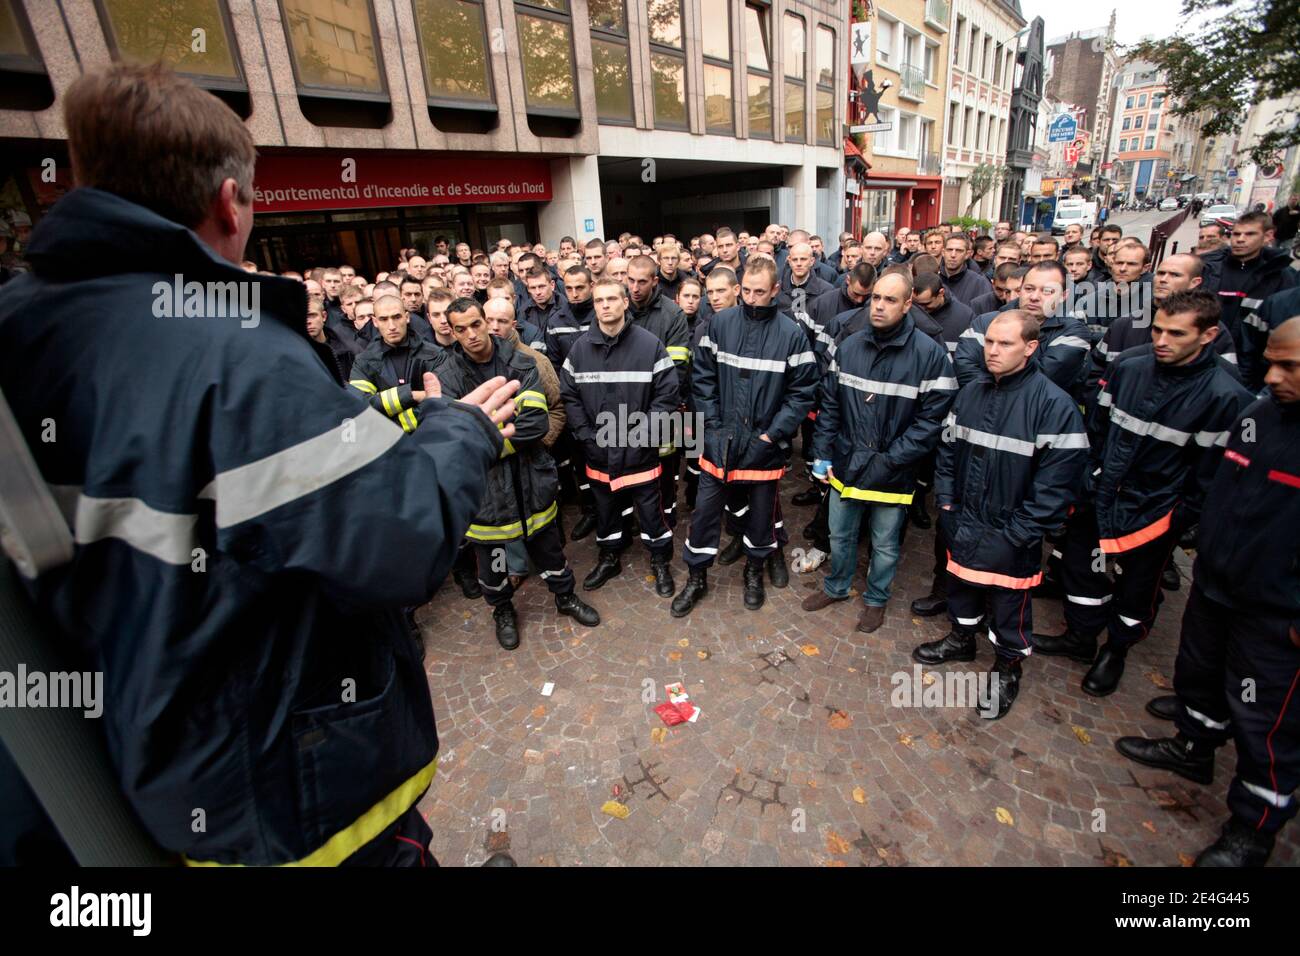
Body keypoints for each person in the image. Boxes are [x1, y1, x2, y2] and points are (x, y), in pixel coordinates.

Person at [0, 62, 520, 867]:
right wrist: (460, 432)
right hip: (281, 787)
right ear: (231, 203)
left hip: (152, 771)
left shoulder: (23, 325)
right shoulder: (237, 361)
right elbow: (396, 538)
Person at [1115, 317, 1300, 866]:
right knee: (1199, 671)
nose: (1271, 376)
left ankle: (1254, 827)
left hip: (1277, 611)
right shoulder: (1261, 416)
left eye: (1289, 366)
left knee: (1267, 719)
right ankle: (1193, 746)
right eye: (1270, 361)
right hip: (1220, 584)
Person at [1034, 291, 1252, 697]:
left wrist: (1179, 518)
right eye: (1157, 330)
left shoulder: (1226, 396)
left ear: (1207, 335)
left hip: (1155, 512)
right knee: (1083, 569)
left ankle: (1116, 650)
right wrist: (1089, 479)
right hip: (1100, 495)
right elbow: (1097, 428)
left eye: (1176, 333)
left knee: (1136, 588)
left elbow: (1210, 477)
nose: (1162, 340)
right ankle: (1080, 638)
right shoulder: (1128, 368)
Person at [911, 311, 1089, 720]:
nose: (992, 351)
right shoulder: (970, 392)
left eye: (1005, 344)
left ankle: (1008, 667)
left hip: (1012, 532)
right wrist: (948, 506)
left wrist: (1017, 533)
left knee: (1010, 604)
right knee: (961, 586)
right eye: (989, 341)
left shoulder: (1054, 406)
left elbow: (1057, 487)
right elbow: (948, 451)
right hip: (965, 517)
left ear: (1030, 348)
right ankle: (961, 638)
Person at [434, 298, 600, 649]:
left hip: (530, 481)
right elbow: (454, 440)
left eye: (476, 324)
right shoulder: (446, 376)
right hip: (485, 492)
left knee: (550, 550)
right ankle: (502, 610)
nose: (471, 334)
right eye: (460, 329)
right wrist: (490, 440)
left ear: (487, 322)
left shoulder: (521, 363)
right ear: (451, 331)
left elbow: (535, 424)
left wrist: (485, 443)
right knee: (493, 563)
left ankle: (564, 596)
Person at [802, 272, 955, 633]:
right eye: (876, 298)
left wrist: (889, 460)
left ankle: (875, 599)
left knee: (885, 545)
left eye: (890, 300)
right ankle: (836, 587)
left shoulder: (930, 356)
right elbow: (831, 407)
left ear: (907, 304)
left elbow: (930, 423)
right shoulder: (850, 346)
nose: (880, 306)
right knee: (839, 534)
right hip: (846, 463)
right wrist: (822, 452)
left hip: (893, 470)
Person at [672, 258, 817, 616]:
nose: (752, 299)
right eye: (747, 291)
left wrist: (772, 435)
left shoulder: (791, 333)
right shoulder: (718, 325)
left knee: (761, 517)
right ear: (740, 287)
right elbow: (702, 379)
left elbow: (802, 393)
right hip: (719, 443)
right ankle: (696, 577)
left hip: (763, 446)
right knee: (704, 514)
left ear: (775, 291)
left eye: (760, 292)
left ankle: (754, 571)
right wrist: (713, 426)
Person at [560, 278, 680, 597]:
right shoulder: (580, 349)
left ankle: (659, 559)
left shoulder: (649, 345)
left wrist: (642, 435)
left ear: (626, 302)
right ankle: (610, 555)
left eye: (612, 298)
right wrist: (587, 436)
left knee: (652, 514)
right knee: (606, 510)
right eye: (599, 300)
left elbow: (667, 396)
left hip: (640, 453)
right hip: (599, 453)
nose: (605, 305)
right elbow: (568, 395)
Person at [1202, 212, 1299, 387]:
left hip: (1253, 370)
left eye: (1249, 234)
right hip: (1206, 358)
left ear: (1268, 236)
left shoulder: (1283, 278)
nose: (1240, 239)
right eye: (1236, 234)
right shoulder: (1210, 269)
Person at [938, 234, 993, 307]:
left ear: (967, 254)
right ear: (943, 252)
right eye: (949, 250)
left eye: (959, 251)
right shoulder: (933, 279)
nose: (953, 255)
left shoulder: (980, 283)